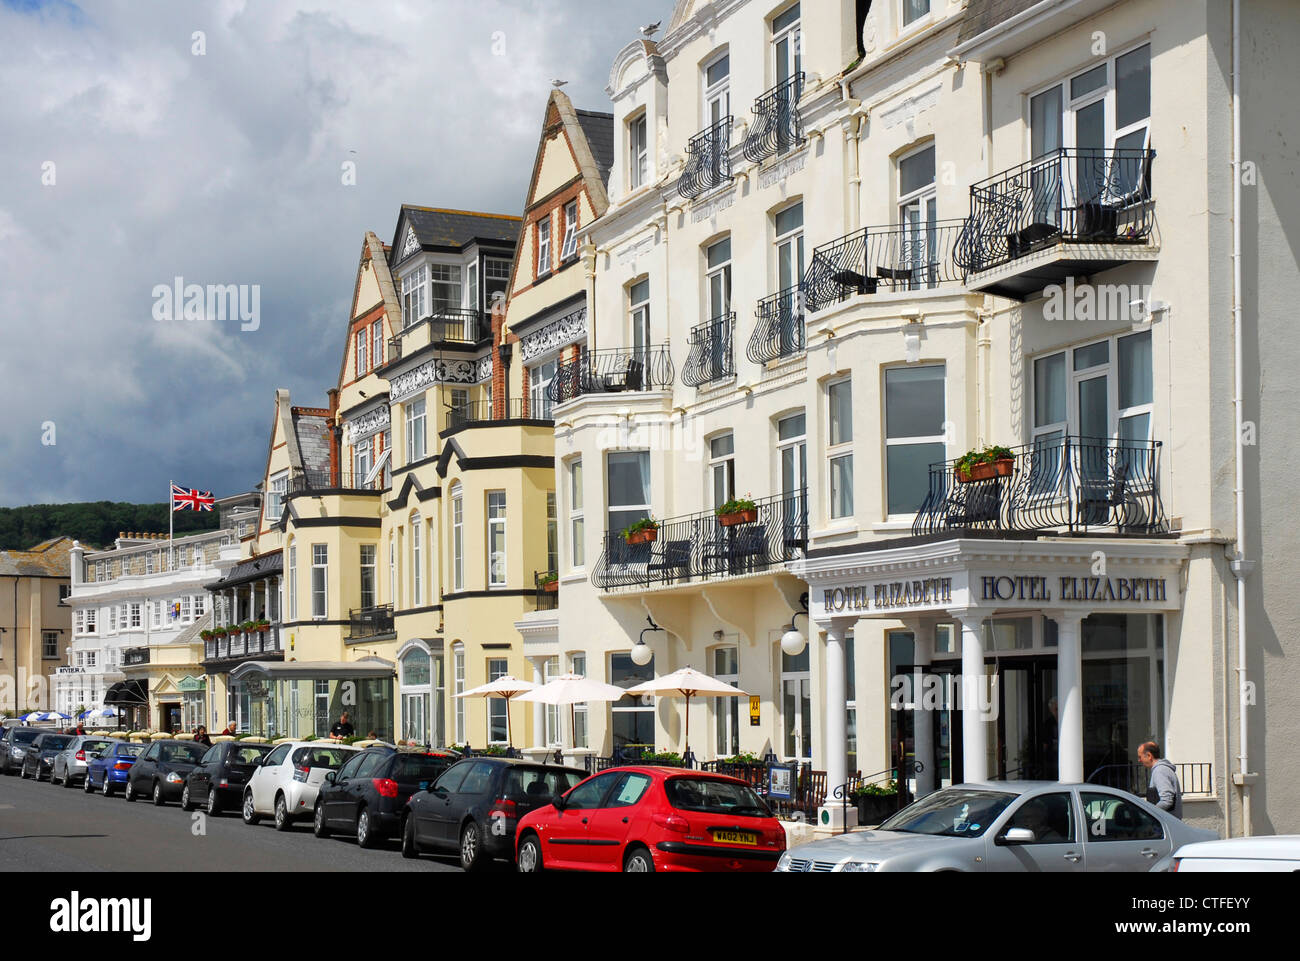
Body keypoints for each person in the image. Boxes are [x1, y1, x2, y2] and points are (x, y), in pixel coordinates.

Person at [1138, 740, 1182, 819]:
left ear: (1149, 756)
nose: (1139, 760)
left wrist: (1149, 812)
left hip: (1167, 825)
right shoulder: (1160, 770)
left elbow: (1167, 800)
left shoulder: (1160, 771)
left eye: (1140, 757)